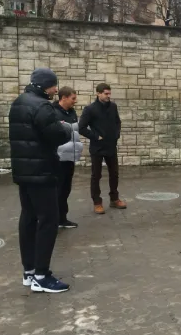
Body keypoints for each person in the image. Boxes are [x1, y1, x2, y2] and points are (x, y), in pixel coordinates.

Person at [9, 68, 72, 293]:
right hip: (42, 172)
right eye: (54, 86)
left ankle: (29, 271)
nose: (55, 90)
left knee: (28, 218)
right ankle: (42, 275)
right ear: (46, 85)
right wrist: (66, 129)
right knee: (48, 221)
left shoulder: (18, 102)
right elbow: (56, 135)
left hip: (23, 172)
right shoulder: (42, 106)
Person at [79, 83, 126, 214]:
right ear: (98, 93)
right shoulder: (90, 109)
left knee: (114, 173)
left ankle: (114, 199)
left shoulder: (113, 107)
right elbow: (81, 128)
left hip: (111, 146)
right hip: (97, 147)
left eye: (109, 93)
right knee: (96, 175)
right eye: (106, 93)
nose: (108, 96)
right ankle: (97, 202)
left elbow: (117, 122)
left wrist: (116, 134)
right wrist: (96, 137)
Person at [54, 86, 83, 229]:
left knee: (66, 189)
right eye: (73, 98)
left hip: (70, 158)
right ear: (64, 98)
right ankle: (54, 219)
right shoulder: (53, 112)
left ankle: (62, 218)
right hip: (58, 158)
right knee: (57, 190)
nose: (75, 101)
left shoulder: (72, 112)